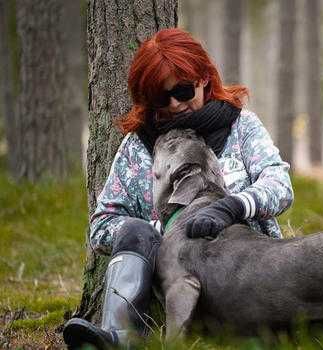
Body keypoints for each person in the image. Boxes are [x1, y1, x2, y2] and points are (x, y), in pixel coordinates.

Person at [63, 28, 294, 348]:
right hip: (175, 288)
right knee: (133, 229)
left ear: (203, 79)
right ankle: (120, 335)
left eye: (183, 91)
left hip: (251, 282)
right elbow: (102, 225)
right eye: (161, 97)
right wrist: (162, 230)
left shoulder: (241, 127)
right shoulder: (138, 146)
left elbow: (279, 184)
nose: (175, 104)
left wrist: (234, 206)